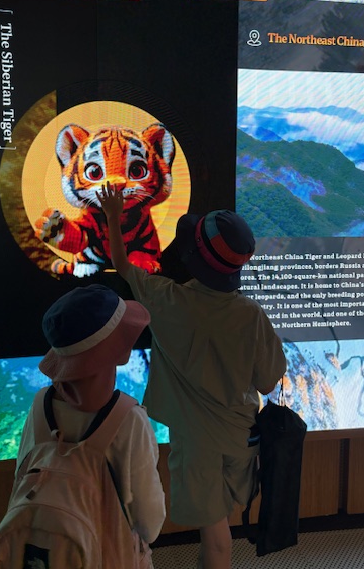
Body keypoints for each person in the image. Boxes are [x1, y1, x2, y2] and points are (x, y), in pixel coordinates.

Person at [98, 183, 287, 569]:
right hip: (241, 436)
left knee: (215, 535)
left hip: (197, 442)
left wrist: (114, 217)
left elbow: (123, 264)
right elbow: (268, 383)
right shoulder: (251, 315)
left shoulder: (164, 298)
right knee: (220, 525)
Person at [13, 284, 166, 552]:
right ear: (117, 351)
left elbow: (22, 482)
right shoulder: (129, 419)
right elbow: (149, 526)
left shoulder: (40, 404)